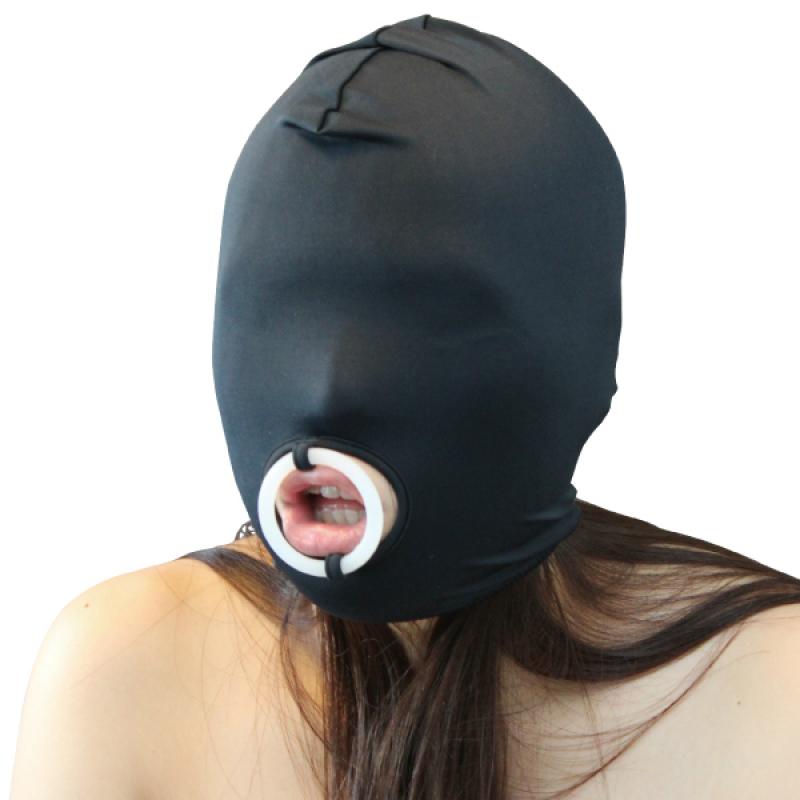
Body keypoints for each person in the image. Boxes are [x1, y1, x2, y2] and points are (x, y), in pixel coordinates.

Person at [11, 14, 800, 800]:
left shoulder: (773, 686)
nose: (327, 390)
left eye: (422, 316)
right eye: (281, 314)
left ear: (577, 345)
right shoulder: (121, 667)